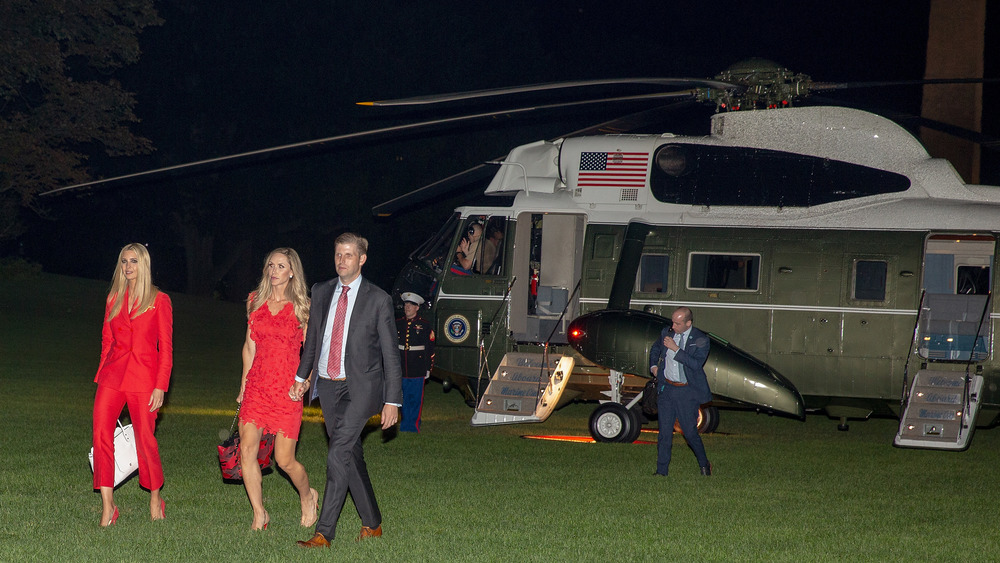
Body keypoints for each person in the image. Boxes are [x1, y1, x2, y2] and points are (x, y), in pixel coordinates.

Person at [290, 233, 403, 548]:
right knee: (349, 454)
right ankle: (373, 523)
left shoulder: (377, 298)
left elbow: (391, 354)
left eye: (349, 255)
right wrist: (302, 377)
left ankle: (324, 532)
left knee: (337, 452)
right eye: (338, 254)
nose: (342, 260)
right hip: (327, 385)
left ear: (362, 259)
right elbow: (313, 340)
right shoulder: (322, 291)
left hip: (362, 387)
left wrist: (392, 400)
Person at [236, 248, 318, 531]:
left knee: (284, 460)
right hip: (257, 386)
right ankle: (259, 513)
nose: (273, 271)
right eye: (270, 265)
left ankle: (308, 496)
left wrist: (305, 382)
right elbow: (250, 346)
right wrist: (243, 385)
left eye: (280, 266)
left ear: (292, 271)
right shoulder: (254, 302)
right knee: (247, 450)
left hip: (287, 389)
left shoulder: (302, 307)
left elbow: (311, 352)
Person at [92, 243, 172, 526]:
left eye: (134, 261)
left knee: (145, 439)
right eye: (124, 261)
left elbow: (166, 348)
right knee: (101, 432)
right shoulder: (113, 298)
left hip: (145, 379)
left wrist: (161, 385)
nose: (128, 266)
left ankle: (154, 497)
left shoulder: (159, 300)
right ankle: (108, 505)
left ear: (144, 265)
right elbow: (107, 340)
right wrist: (101, 374)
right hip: (112, 376)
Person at [648, 306, 713, 477]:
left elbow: (696, 364)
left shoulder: (701, 339)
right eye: (672, 322)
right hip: (667, 389)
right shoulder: (666, 333)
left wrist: (676, 349)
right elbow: (655, 349)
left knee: (690, 433)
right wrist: (654, 366)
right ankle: (661, 471)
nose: (673, 326)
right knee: (664, 433)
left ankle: (704, 464)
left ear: (688, 323)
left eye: (677, 323)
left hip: (686, 392)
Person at [395, 292, 434, 433]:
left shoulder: (424, 325)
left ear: (417, 308)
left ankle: (413, 426)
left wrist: (428, 368)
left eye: (411, 305)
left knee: (415, 398)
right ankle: (405, 424)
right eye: (406, 304)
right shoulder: (398, 323)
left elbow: (429, 348)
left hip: (417, 367)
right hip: (402, 366)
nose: (408, 307)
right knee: (403, 398)